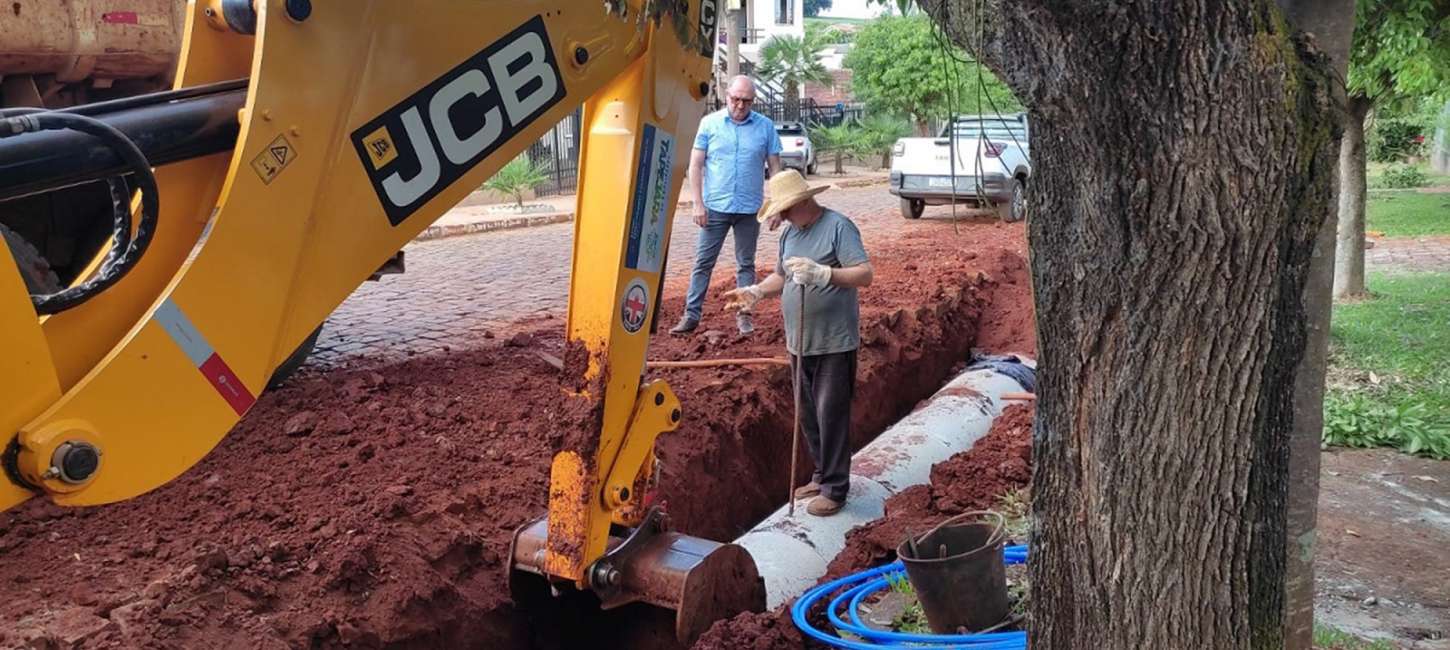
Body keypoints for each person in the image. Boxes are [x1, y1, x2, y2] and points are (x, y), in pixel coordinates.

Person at [723, 170, 873, 517]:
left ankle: (835, 488)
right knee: (808, 413)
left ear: (805, 201)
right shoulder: (790, 234)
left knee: (830, 413)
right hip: (799, 341)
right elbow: (782, 276)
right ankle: (821, 475)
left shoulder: (838, 227)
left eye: (787, 208)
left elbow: (864, 274)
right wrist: (756, 291)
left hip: (833, 342)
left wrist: (825, 274)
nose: (783, 216)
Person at [671, 76, 782, 336]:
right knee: (703, 263)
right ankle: (691, 315)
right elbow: (695, 165)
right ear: (726, 95)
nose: (740, 105)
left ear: (753, 101)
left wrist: (777, 204)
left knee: (746, 263)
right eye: (735, 99)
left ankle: (744, 316)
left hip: (748, 209)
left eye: (746, 101)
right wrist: (697, 204)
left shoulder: (765, 127)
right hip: (715, 208)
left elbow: (775, 168)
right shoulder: (709, 124)